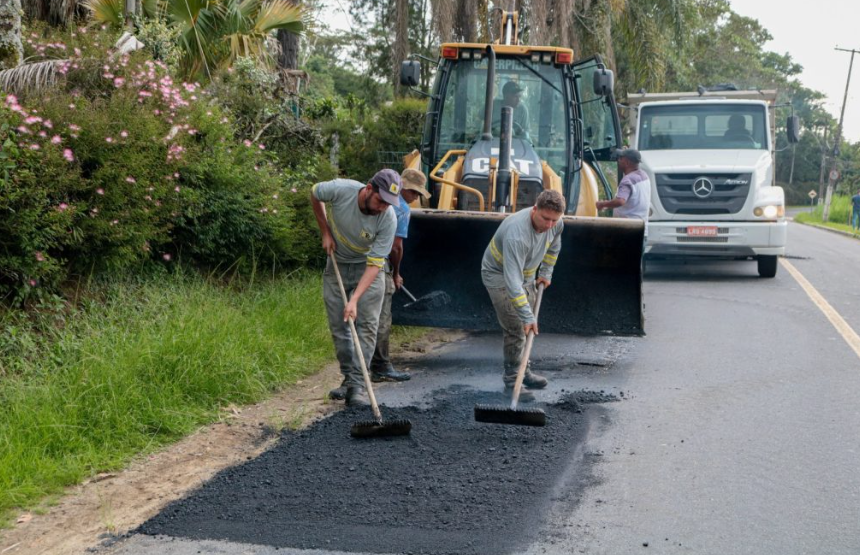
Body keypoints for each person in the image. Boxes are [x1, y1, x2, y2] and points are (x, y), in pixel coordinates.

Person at [328, 169, 431, 399]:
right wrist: (395, 273)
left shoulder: (390, 209)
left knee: (363, 324)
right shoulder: (398, 208)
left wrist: (355, 298)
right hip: (361, 263)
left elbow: (380, 254)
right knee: (362, 323)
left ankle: (356, 381)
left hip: (371, 263)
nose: (415, 197)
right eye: (414, 192)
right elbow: (396, 247)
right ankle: (369, 371)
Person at [311, 169, 400, 406]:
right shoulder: (342, 189)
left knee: (367, 327)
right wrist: (325, 231)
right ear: (369, 188)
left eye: (388, 203)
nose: (383, 207)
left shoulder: (389, 218)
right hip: (337, 264)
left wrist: (355, 300)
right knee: (340, 328)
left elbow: (375, 265)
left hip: (368, 269)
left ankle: (358, 385)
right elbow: (314, 193)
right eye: (380, 201)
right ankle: (349, 379)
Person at [481, 189, 565, 402]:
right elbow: (512, 283)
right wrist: (527, 317)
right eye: (545, 218)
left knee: (527, 329)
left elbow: (553, 247)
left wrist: (546, 272)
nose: (549, 225)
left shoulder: (557, 224)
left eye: (554, 220)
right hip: (499, 276)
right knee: (518, 327)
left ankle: (523, 373)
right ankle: (511, 382)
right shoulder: (517, 234)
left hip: (527, 276)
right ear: (534, 209)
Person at [596, 148, 651, 247]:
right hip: (642, 231)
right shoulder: (644, 176)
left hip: (628, 232)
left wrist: (603, 204)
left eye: (620, 158)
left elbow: (620, 201)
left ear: (626, 162)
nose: (618, 161)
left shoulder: (628, 180)